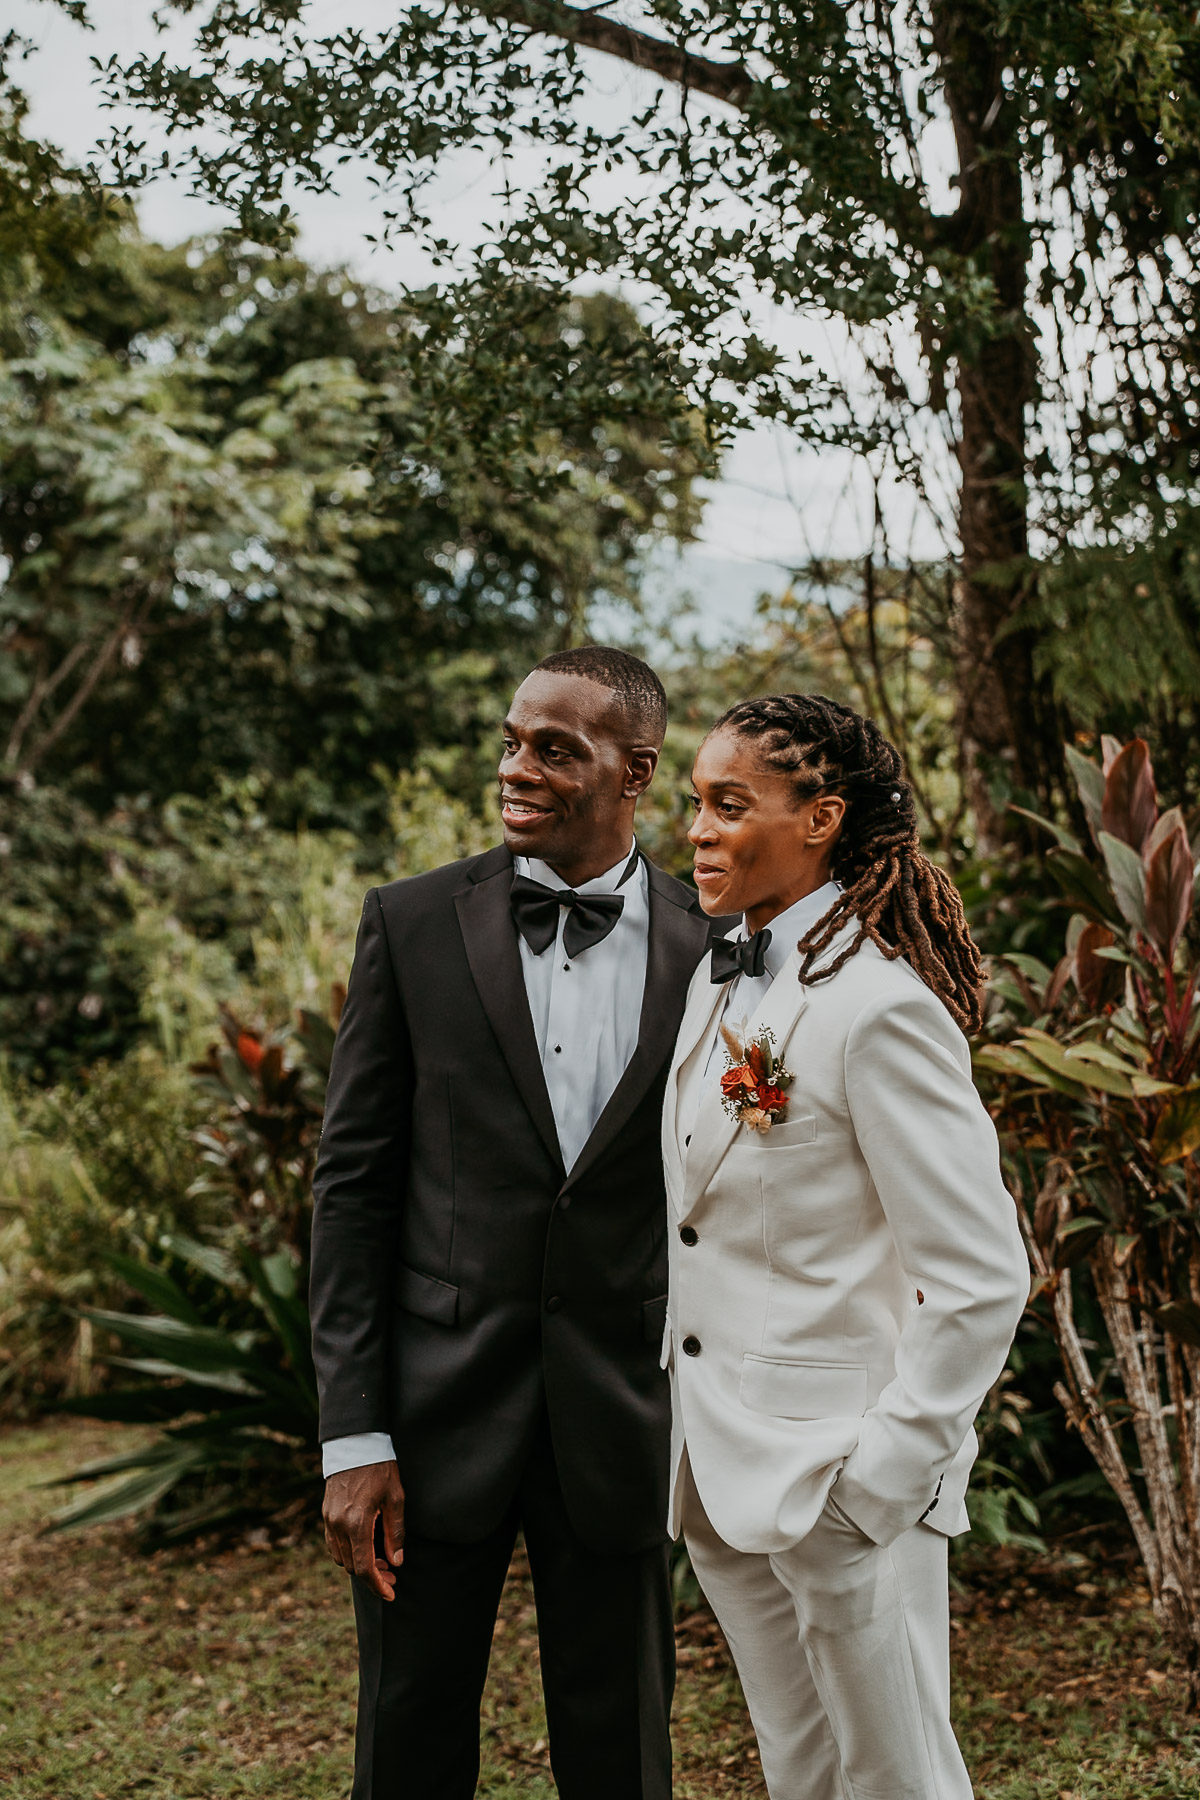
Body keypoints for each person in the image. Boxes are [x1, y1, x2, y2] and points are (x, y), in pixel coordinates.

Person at [310, 645, 725, 1800]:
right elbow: (350, 1189)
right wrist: (354, 1434)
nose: (518, 767)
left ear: (637, 769)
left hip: (624, 1413)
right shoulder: (413, 923)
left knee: (624, 1748)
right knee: (408, 1733)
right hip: (431, 1420)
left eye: (556, 747)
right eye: (510, 740)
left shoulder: (717, 951)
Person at [661, 692, 1029, 1799]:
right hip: (721, 1470)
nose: (698, 830)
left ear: (819, 820)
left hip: (840, 1483)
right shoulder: (717, 971)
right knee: (804, 1772)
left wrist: (878, 1480)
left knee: (900, 1780)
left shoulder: (881, 1010)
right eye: (696, 804)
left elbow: (978, 1276)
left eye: (732, 805)